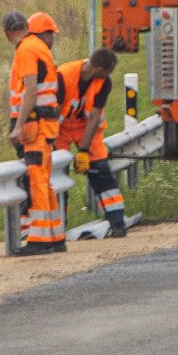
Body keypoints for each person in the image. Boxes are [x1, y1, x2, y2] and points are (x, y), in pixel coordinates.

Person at [4, 9, 64, 255]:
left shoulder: (26, 50)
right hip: (45, 122)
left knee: (37, 178)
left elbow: (31, 90)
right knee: (44, 180)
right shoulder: (39, 47)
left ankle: (40, 241)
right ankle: (55, 236)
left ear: (7, 33)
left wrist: (19, 125)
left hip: (35, 124)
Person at [54, 48, 128, 238]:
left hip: (85, 129)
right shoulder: (63, 75)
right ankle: (57, 227)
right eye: (107, 72)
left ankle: (117, 223)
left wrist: (84, 151)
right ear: (98, 68)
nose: (108, 76)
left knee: (101, 170)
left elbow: (95, 116)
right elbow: (55, 112)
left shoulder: (104, 83)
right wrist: (50, 142)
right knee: (56, 176)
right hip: (59, 129)